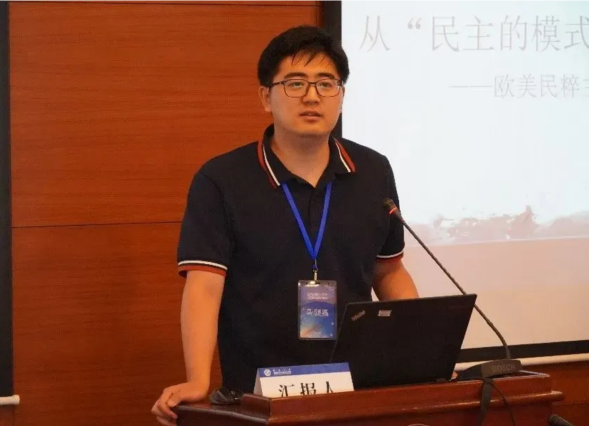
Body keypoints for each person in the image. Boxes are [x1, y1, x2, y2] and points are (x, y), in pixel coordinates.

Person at [152, 25, 419, 425]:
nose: (312, 96)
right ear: (266, 97)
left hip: (355, 390)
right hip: (258, 396)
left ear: (341, 96)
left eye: (326, 83)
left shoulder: (373, 171)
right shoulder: (222, 180)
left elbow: (389, 271)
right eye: (295, 83)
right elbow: (204, 286)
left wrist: (421, 355)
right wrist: (198, 379)